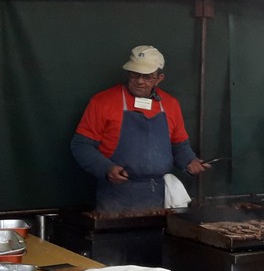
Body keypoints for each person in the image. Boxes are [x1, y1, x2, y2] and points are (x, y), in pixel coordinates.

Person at [71, 45, 208, 213]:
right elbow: (81, 146)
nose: (140, 81)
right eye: (135, 74)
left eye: (148, 76)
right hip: (116, 196)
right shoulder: (102, 102)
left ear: (159, 78)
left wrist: (190, 161)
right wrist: (106, 168)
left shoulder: (170, 104)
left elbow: (179, 145)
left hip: (157, 196)